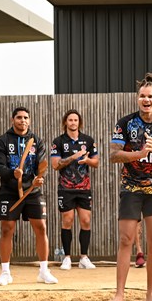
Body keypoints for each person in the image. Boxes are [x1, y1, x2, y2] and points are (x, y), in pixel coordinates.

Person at [108, 72, 152, 301]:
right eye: (142, 96)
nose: (146, 100)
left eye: (150, 97)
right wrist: (139, 154)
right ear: (137, 99)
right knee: (126, 239)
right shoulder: (125, 123)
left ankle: (150, 293)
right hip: (131, 188)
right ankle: (119, 294)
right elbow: (114, 155)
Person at [0, 106, 56, 285]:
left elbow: (41, 165)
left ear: (29, 120)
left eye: (26, 117)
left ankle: (44, 271)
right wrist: (12, 173)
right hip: (9, 191)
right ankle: (5, 272)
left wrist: (38, 179)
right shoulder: (2, 141)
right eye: (19, 117)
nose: (23, 120)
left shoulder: (37, 141)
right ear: (13, 120)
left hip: (32, 191)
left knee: (41, 227)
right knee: (7, 229)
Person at [50, 109, 100, 270]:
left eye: (76, 120)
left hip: (84, 188)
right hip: (66, 188)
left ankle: (84, 257)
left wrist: (86, 160)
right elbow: (55, 165)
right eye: (70, 120)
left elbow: (96, 162)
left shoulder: (88, 140)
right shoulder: (58, 141)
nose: (73, 123)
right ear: (65, 122)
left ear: (79, 122)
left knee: (85, 220)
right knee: (67, 221)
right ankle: (67, 258)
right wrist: (73, 156)